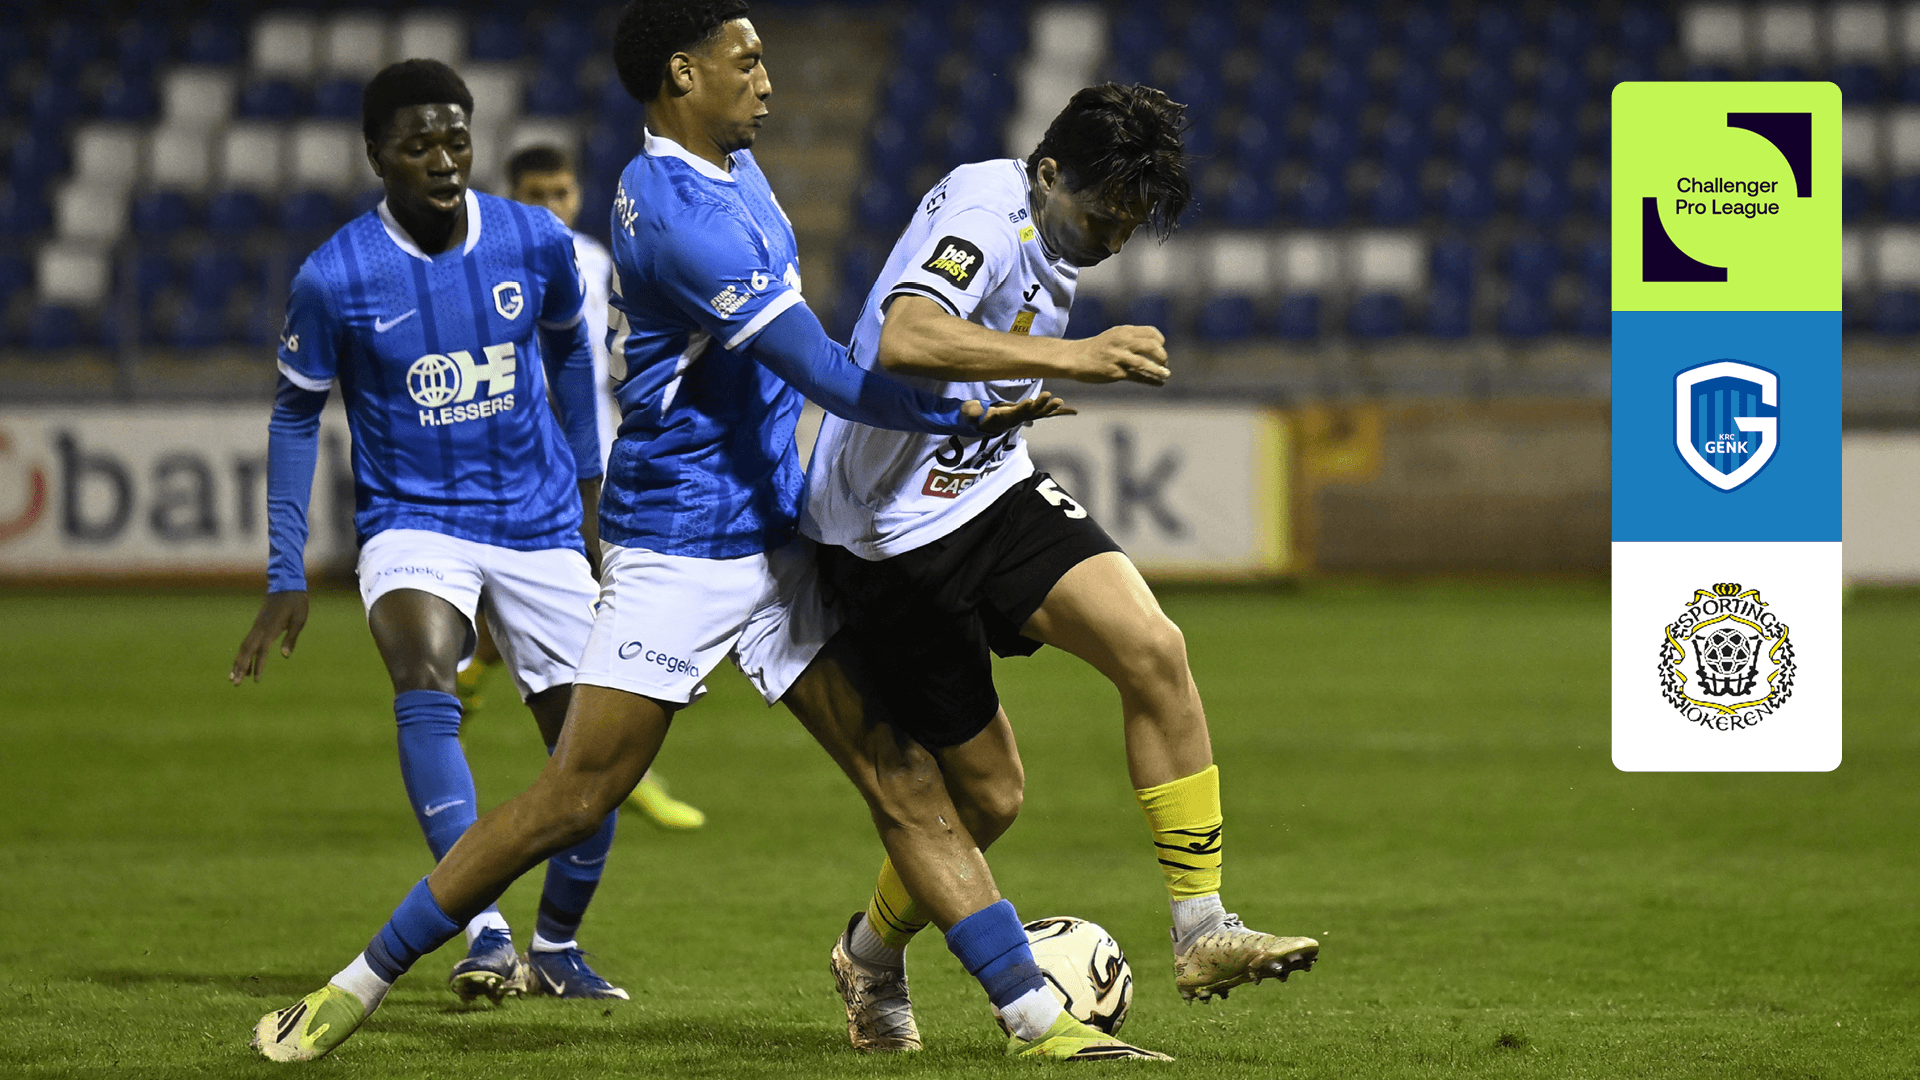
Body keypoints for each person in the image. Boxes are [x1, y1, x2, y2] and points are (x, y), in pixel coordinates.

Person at [245, 2, 1140, 1063]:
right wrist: (990, 394)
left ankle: (1035, 1022)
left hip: (774, 531)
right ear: (682, 73)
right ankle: (354, 987)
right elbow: (826, 374)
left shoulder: (735, 171)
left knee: (902, 776)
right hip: (679, 544)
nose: (768, 80)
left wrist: (956, 405)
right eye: (746, 61)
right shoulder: (677, 216)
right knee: (576, 798)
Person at [806, 83, 1320, 1051]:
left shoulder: (1056, 227)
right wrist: (1076, 357)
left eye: (1129, 225)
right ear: (1048, 174)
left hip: (989, 484)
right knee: (988, 799)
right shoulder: (984, 215)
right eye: (1103, 218)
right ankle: (867, 956)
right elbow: (905, 337)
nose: (1112, 242)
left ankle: (1203, 929)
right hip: (889, 534)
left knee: (1154, 649)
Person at [228, 59, 629, 1006]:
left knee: (595, 762)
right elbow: (294, 417)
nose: (444, 160)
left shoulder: (534, 240)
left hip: (536, 521)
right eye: (418, 145)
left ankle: (557, 948)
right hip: (414, 521)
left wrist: (589, 492)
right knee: (423, 674)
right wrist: (286, 571)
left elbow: (572, 354)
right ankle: (483, 928)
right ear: (377, 155)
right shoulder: (335, 277)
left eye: (456, 139)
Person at [452, 143, 706, 832]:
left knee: (572, 611)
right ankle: (616, 773)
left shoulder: (599, 263)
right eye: (536, 194)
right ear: (508, 195)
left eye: (560, 193)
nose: (552, 207)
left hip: (599, 462)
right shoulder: (476, 266)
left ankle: (465, 690)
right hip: (520, 464)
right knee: (585, 612)